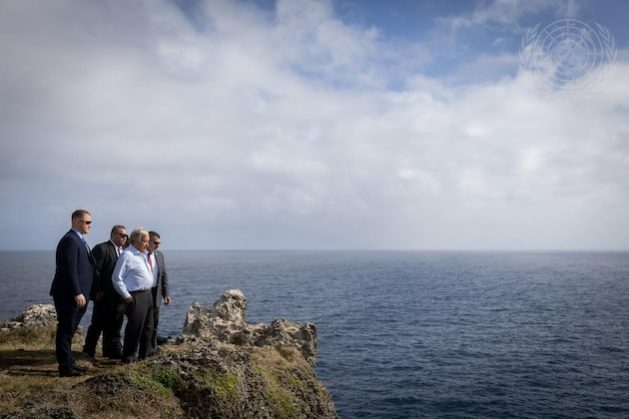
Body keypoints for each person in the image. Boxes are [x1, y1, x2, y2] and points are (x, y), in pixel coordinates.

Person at [50, 209, 95, 377]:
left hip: (79, 295)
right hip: (70, 295)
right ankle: (65, 367)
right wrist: (77, 292)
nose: (90, 225)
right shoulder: (70, 240)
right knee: (66, 330)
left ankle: (69, 362)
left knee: (69, 329)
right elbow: (69, 270)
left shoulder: (79, 240)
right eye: (87, 222)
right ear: (77, 221)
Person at [82, 225, 128, 359]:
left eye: (126, 236)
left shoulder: (125, 251)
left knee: (116, 324)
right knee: (97, 324)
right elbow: (94, 271)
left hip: (119, 296)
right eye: (121, 235)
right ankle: (88, 351)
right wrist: (97, 291)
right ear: (113, 235)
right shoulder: (102, 248)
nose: (124, 238)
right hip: (104, 296)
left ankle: (111, 351)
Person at [111, 227, 154, 363]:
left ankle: (144, 357)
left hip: (147, 295)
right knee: (135, 328)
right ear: (136, 241)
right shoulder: (127, 255)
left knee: (148, 327)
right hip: (136, 296)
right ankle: (128, 358)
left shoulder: (141, 255)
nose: (148, 244)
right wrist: (126, 295)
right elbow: (116, 278)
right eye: (145, 241)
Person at [141, 231, 171, 357]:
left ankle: (151, 351)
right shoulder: (139, 255)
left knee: (154, 324)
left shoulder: (159, 255)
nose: (158, 245)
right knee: (142, 324)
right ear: (148, 241)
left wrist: (166, 294)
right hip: (142, 293)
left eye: (159, 243)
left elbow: (163, 275)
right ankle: (140, 351)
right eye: (155, 242)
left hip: (156, 293)